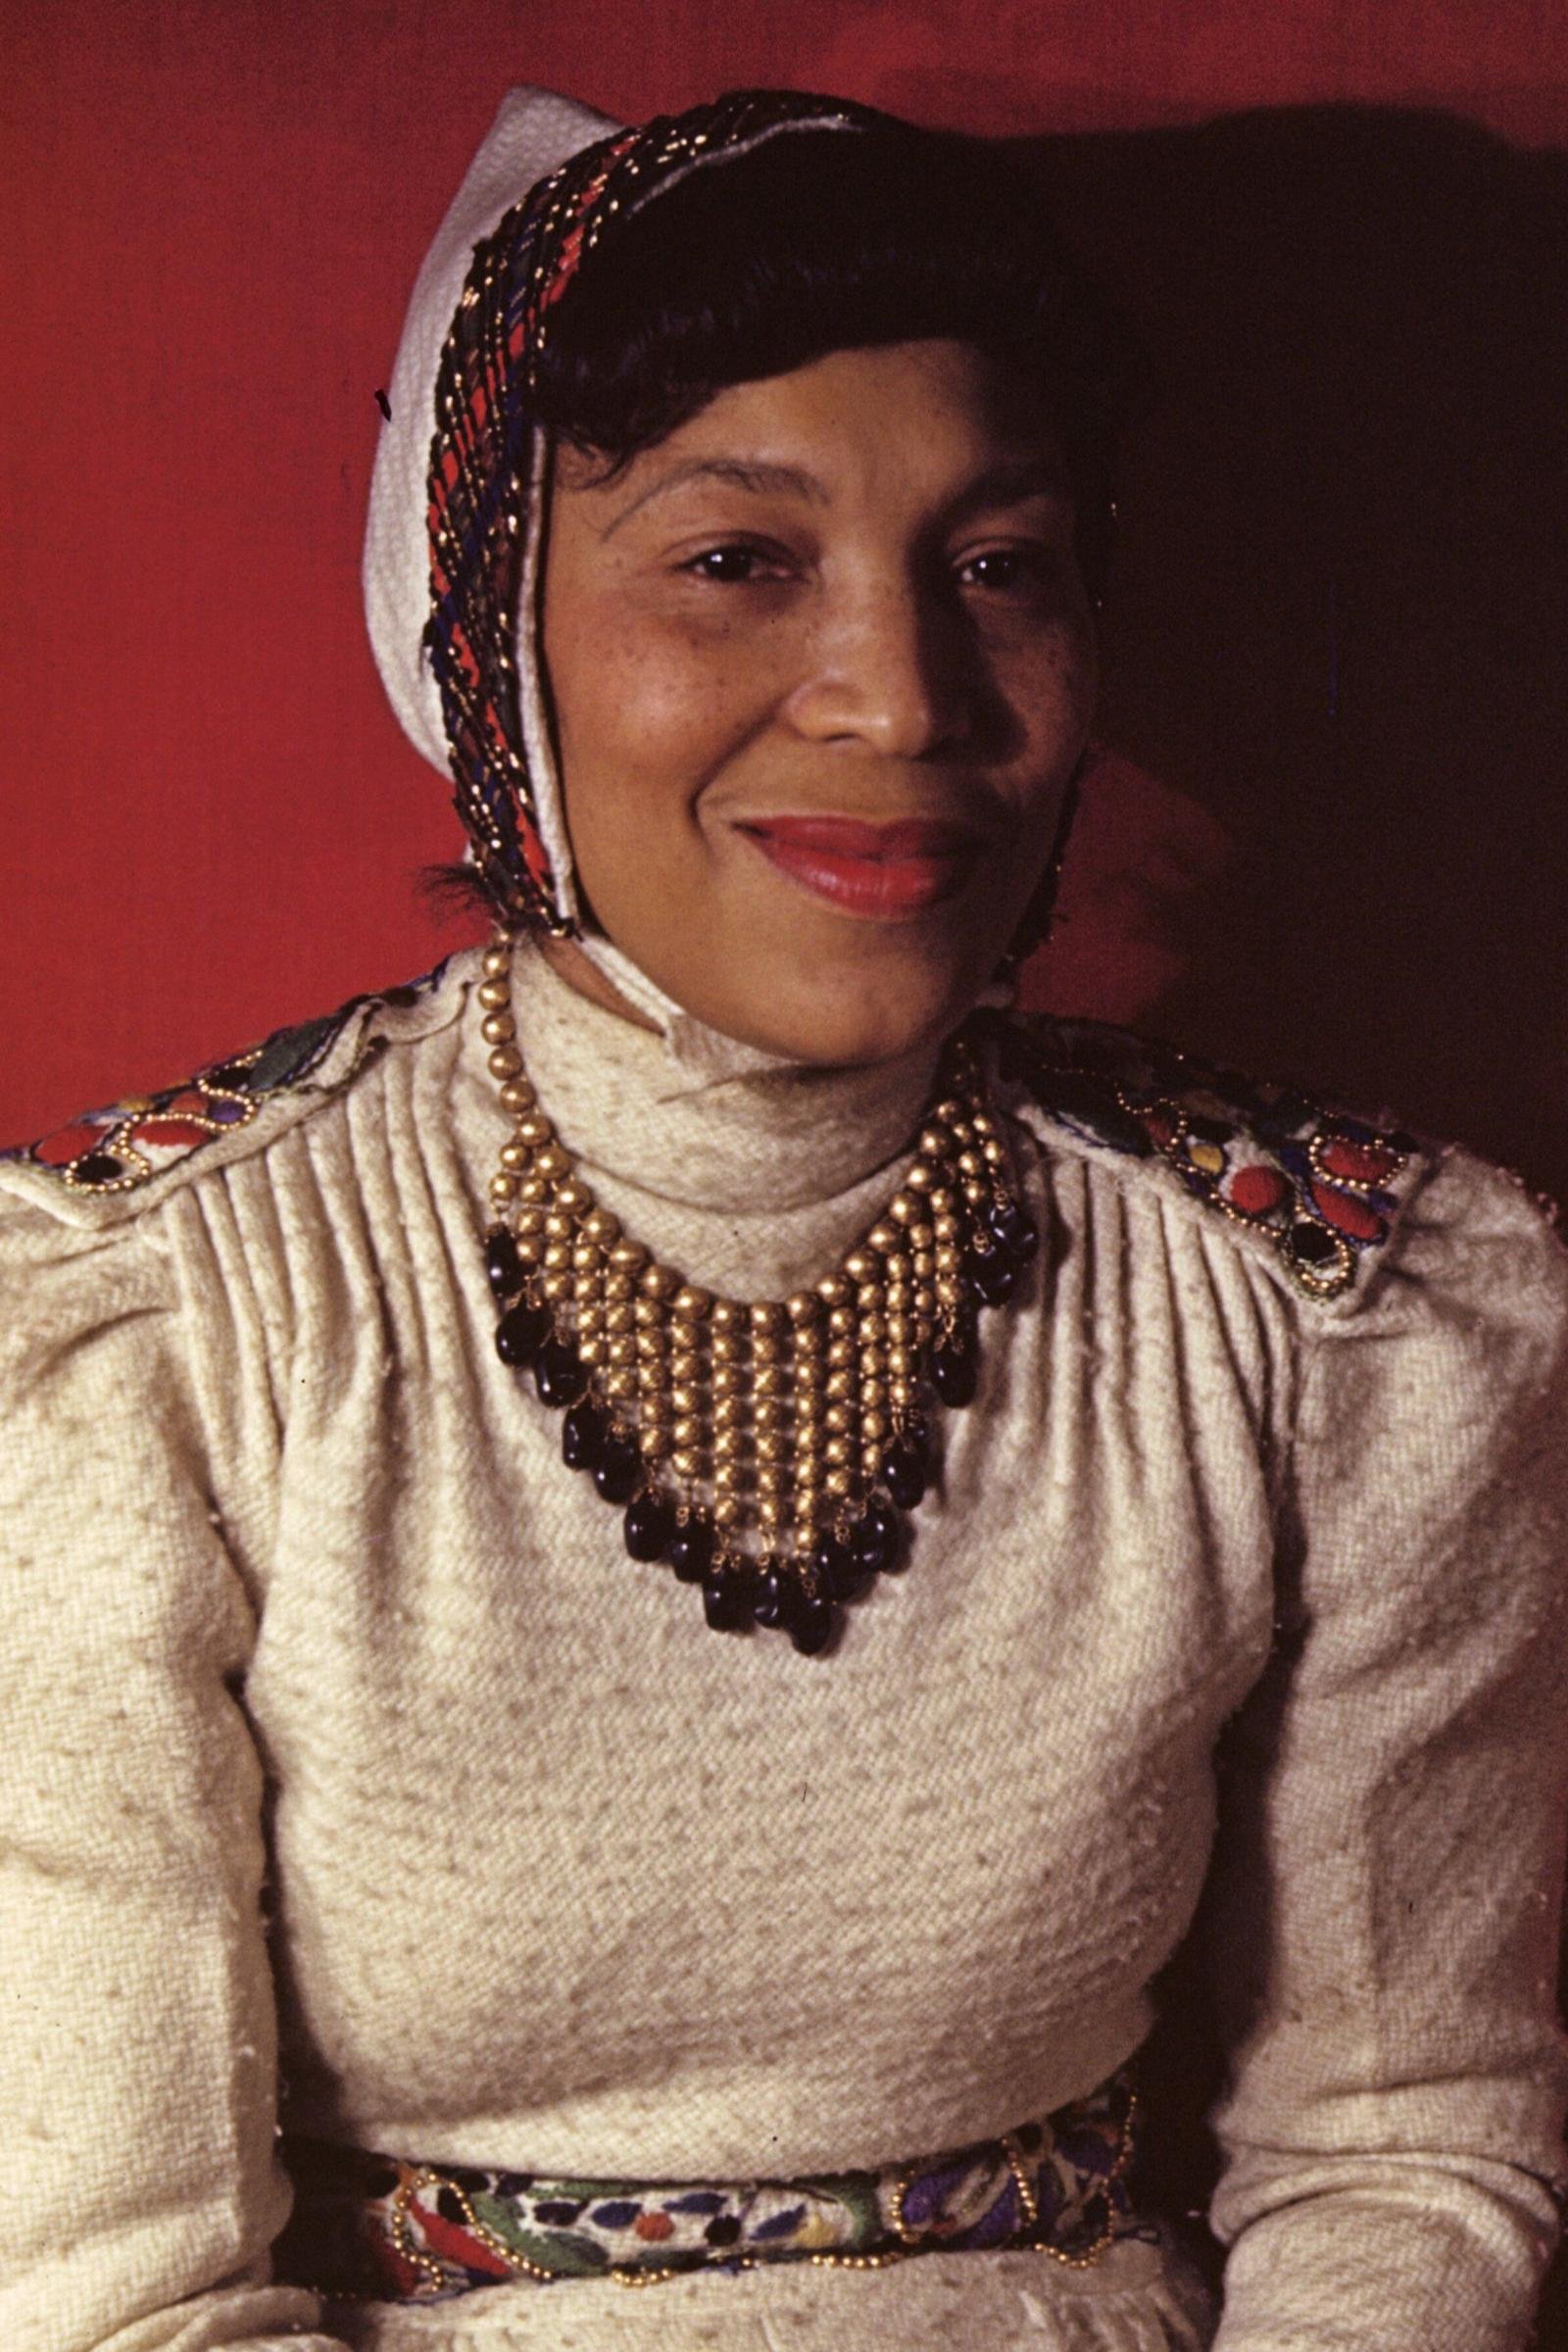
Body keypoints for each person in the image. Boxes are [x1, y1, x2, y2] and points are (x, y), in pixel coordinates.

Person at [3, 83, 1566, 2352]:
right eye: (735, 562)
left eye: (996, 566)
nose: (898, 698)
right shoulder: (140, 1323)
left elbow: (1398, 2145)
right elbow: (106, 2299)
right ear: (481, 634)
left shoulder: (1339, 1305)